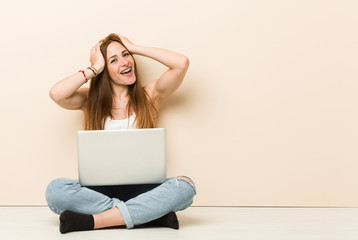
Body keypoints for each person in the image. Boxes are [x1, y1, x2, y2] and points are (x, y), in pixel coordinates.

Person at [45, 33, 197, 233]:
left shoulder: (150, 95)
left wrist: (135, 47)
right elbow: (57, 94)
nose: (125, 62)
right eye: (114, 60)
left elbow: (181, 63)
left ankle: (94, 221)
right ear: (104, 69)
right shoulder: (89, 100)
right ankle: (149, 216)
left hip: (145, 188)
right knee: (55, 190)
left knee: (185, 187)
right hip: (99, 190)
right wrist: (95, 68)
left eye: (126, 55)